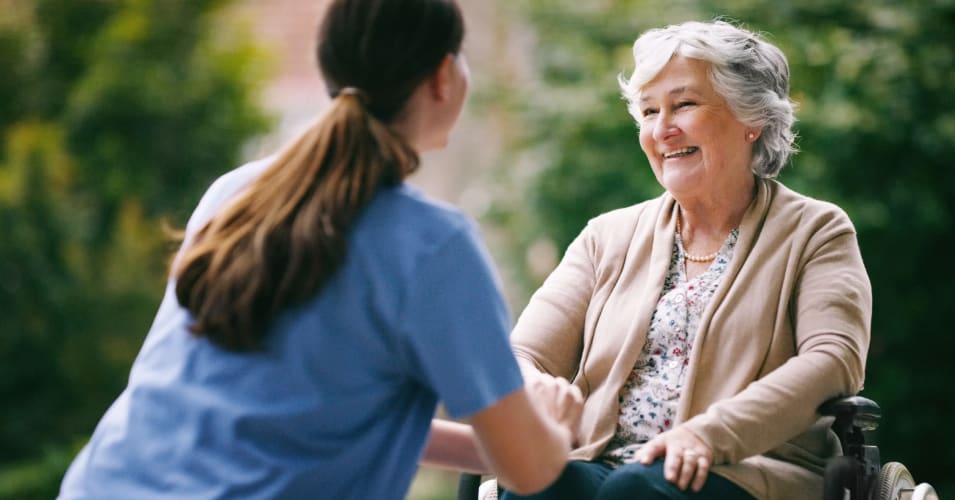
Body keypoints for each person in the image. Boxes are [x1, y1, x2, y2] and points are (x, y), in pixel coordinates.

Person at [57, 0, 582, 498]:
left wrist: (500, 445)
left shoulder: (236, 193)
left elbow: (325, 416)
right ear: (443, 77)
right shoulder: (434, 247)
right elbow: (531, 472)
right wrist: (554, 430)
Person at [500, 20, 871, 500]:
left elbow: (833, 360)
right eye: (649, 111)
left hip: (744, 471)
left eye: (684, 105)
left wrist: (707, 435)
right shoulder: (606, 237)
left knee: (634, 491)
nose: (662, 129)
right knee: (538, 485)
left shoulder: (816, 231)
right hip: (604, 463)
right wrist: (537, 390)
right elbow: (523, 354)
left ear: (751, 119)